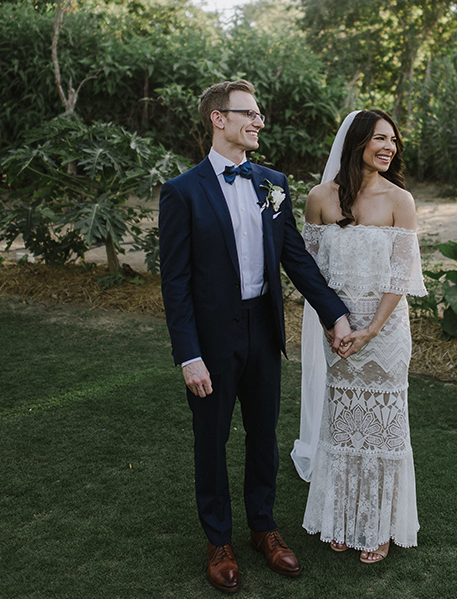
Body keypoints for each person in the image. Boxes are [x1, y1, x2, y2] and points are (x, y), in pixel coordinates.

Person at [159, 79, 351, 594]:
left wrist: (335, 313)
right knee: (212, 440)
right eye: (248, 113)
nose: (259, 121)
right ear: (218, 119)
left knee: (264, 436)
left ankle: (264, 528)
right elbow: (174, 284)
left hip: (264, 334)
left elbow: (295, 258)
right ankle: (218, 540)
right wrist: (189, 356)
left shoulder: (273, 182)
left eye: (260, 114)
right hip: (212, 340)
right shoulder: (182, 191)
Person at [291, 109, 426, 563]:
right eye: (379, 139)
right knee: (344, 424)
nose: (389, 147)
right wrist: (337, 325)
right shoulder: (320, 199)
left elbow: (400, 277)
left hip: (383, 331)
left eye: (393, 141)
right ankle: (343, 519)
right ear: (356, 143)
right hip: (339, 331)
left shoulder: (399, 201)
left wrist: (370, 329)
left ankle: (379, 527)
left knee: (383, 430)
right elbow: (307, 271)